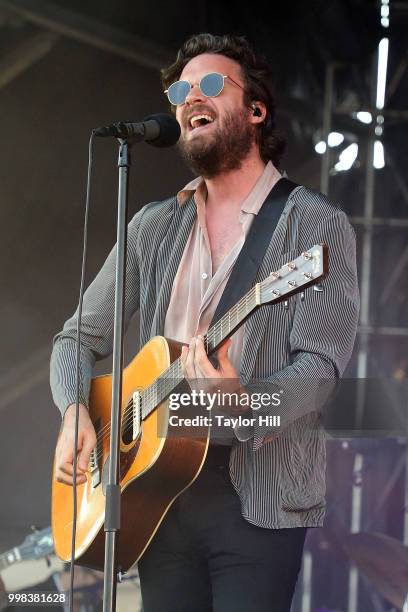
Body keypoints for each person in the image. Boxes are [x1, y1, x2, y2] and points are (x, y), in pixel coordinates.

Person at [50, 33, 359, 612]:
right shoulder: (152, 225)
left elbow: (319, 368)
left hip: (257, 499)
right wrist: (73, 410)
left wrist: (245, 404)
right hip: (155, 494)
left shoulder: (312, 224)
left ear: (256, 110)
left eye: (212, 85)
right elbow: (76, 337)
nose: (193, 96)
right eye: (181, 90)